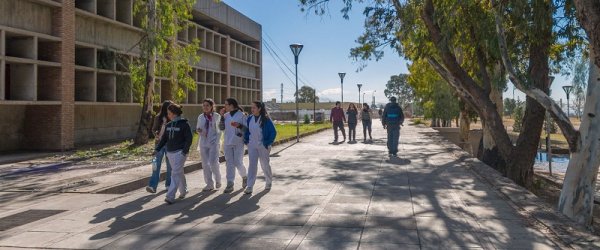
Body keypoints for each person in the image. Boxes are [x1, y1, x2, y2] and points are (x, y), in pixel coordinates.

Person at [155, 103, 193, 204]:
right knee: (178, 172)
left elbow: (189, 139)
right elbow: (164, 139)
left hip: (180, 152)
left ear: (174, 114)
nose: (168, 115)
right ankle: (183, 190)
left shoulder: (184, 124)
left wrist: (184, 152)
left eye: (169, 113)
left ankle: (170, 196)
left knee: (175, 172)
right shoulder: (168, 125)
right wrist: (157, 149)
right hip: (170, 153)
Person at [243, 101, 277, 194]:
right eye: (251, 107)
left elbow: (273, 132)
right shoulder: (250, 118)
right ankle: (249, 186)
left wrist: (267, 143)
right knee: (252, 165)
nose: (252, 109)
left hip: (263, 145)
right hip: (252, 145)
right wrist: (246, 140)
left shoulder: (265, 119)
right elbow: (247, 130)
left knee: (264, 164)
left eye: (254, 108)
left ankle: (268, 181)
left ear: (259, 108)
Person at [219, 98, 248, 193]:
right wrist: (222, 116)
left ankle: (245, 177)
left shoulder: (242, 115)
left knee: (238, 162)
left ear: (232, 105)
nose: (225, 106)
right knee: (229, 163)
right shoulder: (226, 115)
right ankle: (230, 183)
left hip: (238, 141)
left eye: (226, 104)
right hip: (227, 142)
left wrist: (239, 126)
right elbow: (221, 128)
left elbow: (247, 129)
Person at [146, 100, 173, 193]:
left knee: (170, 166)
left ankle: (169, 185)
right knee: (156, 165)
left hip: (170, 144)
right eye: (169, 107)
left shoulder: (173, 118)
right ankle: (152, 186)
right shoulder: (158, 117)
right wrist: (156, 134)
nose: (171, 109)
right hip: (159, 144)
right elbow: (154, 129)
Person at [197, 99, 222, 192]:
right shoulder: (200, 117)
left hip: (213, 143)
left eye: (207, 105)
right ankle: (209, 184)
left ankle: (218, 180)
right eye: (204, 105)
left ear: (212, 106)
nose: (205, 107)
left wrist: (216, 141)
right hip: (203, 142)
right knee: (205, 164)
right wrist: (199, 130)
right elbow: (197, 128)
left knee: (213, 162)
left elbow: (219, 131)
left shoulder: (216, 116)